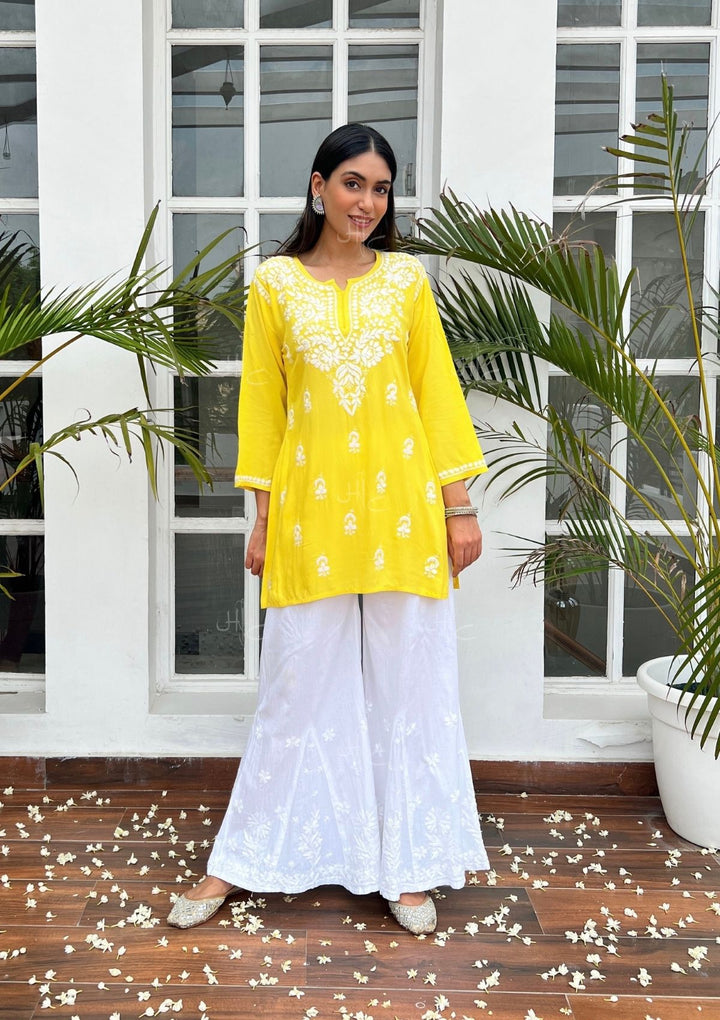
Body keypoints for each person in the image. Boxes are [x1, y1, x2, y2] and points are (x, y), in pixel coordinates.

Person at [167, 123, 489, 935]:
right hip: (310, 514)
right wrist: (262, 519)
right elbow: (263, 410)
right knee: (294, 685)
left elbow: (437, 396)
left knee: (409, 687)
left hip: (403, 511)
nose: (366, 202)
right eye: (352, 183)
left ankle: (407, 865)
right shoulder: (275, 286)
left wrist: (458, 508)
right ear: (318, 186)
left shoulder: (407, 282)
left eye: (380, 189)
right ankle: (239, 859)